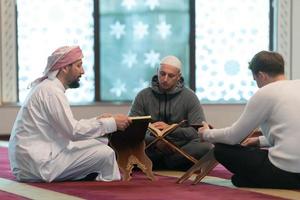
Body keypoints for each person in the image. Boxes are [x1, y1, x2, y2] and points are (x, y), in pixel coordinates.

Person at [8, 46, 132, 182]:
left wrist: (98, 120)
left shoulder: (48, 88)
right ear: (65, 68)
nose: (83, 71)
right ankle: (109, 186)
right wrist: (112, 123)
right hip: (39, 164)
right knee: (106, 153)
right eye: (79, 66)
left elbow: (68, 127)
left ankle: (91, 175)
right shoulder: (51, 92)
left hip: (32, 160)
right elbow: (73, 131)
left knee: (98, 141)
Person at [198, 50, 300, 189]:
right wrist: (259, 141)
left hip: (286, 170)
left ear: (261, 75)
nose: (257, 84)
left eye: (255, 80)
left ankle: (260, 180)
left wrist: (206, 133)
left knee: (222, 149)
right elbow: (291, 131)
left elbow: (233, 136)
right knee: (240, 178)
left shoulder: (266, 92)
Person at [129, 55, 212, 170]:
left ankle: (160, 163)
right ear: (157, 72)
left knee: (206, 147)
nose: (165, 79)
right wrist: (156, 142)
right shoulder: (143, 96)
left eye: (171, 76)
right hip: (151, 148)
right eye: (162, 74)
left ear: (179, 77)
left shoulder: (190, 97)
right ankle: (173, 164)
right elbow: (132, 130)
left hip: (180, 149)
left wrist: (172, 130)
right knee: (118, 144)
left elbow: (199, 132)